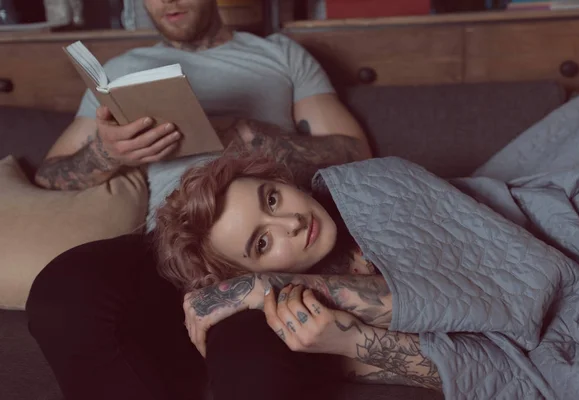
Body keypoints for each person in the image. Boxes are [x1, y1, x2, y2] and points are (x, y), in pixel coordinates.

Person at [26, 0, 376, 399]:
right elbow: (49, 174)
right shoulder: (123, 71)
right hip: (169, 242)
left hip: (262, 248)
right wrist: (108, 154)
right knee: (64, 290)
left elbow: (355, 151)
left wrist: (250, 136)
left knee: (250, 354)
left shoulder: (280, 53)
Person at [153, 154, 442, 392]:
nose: (292, 223)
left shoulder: (365, 188)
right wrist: (351, 341)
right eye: (262, 243)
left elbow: (459, 289)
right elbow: (472, 368)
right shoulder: (306, 324)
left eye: (272, 200)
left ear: (280, 181)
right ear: (241, 273)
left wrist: (261, 286)